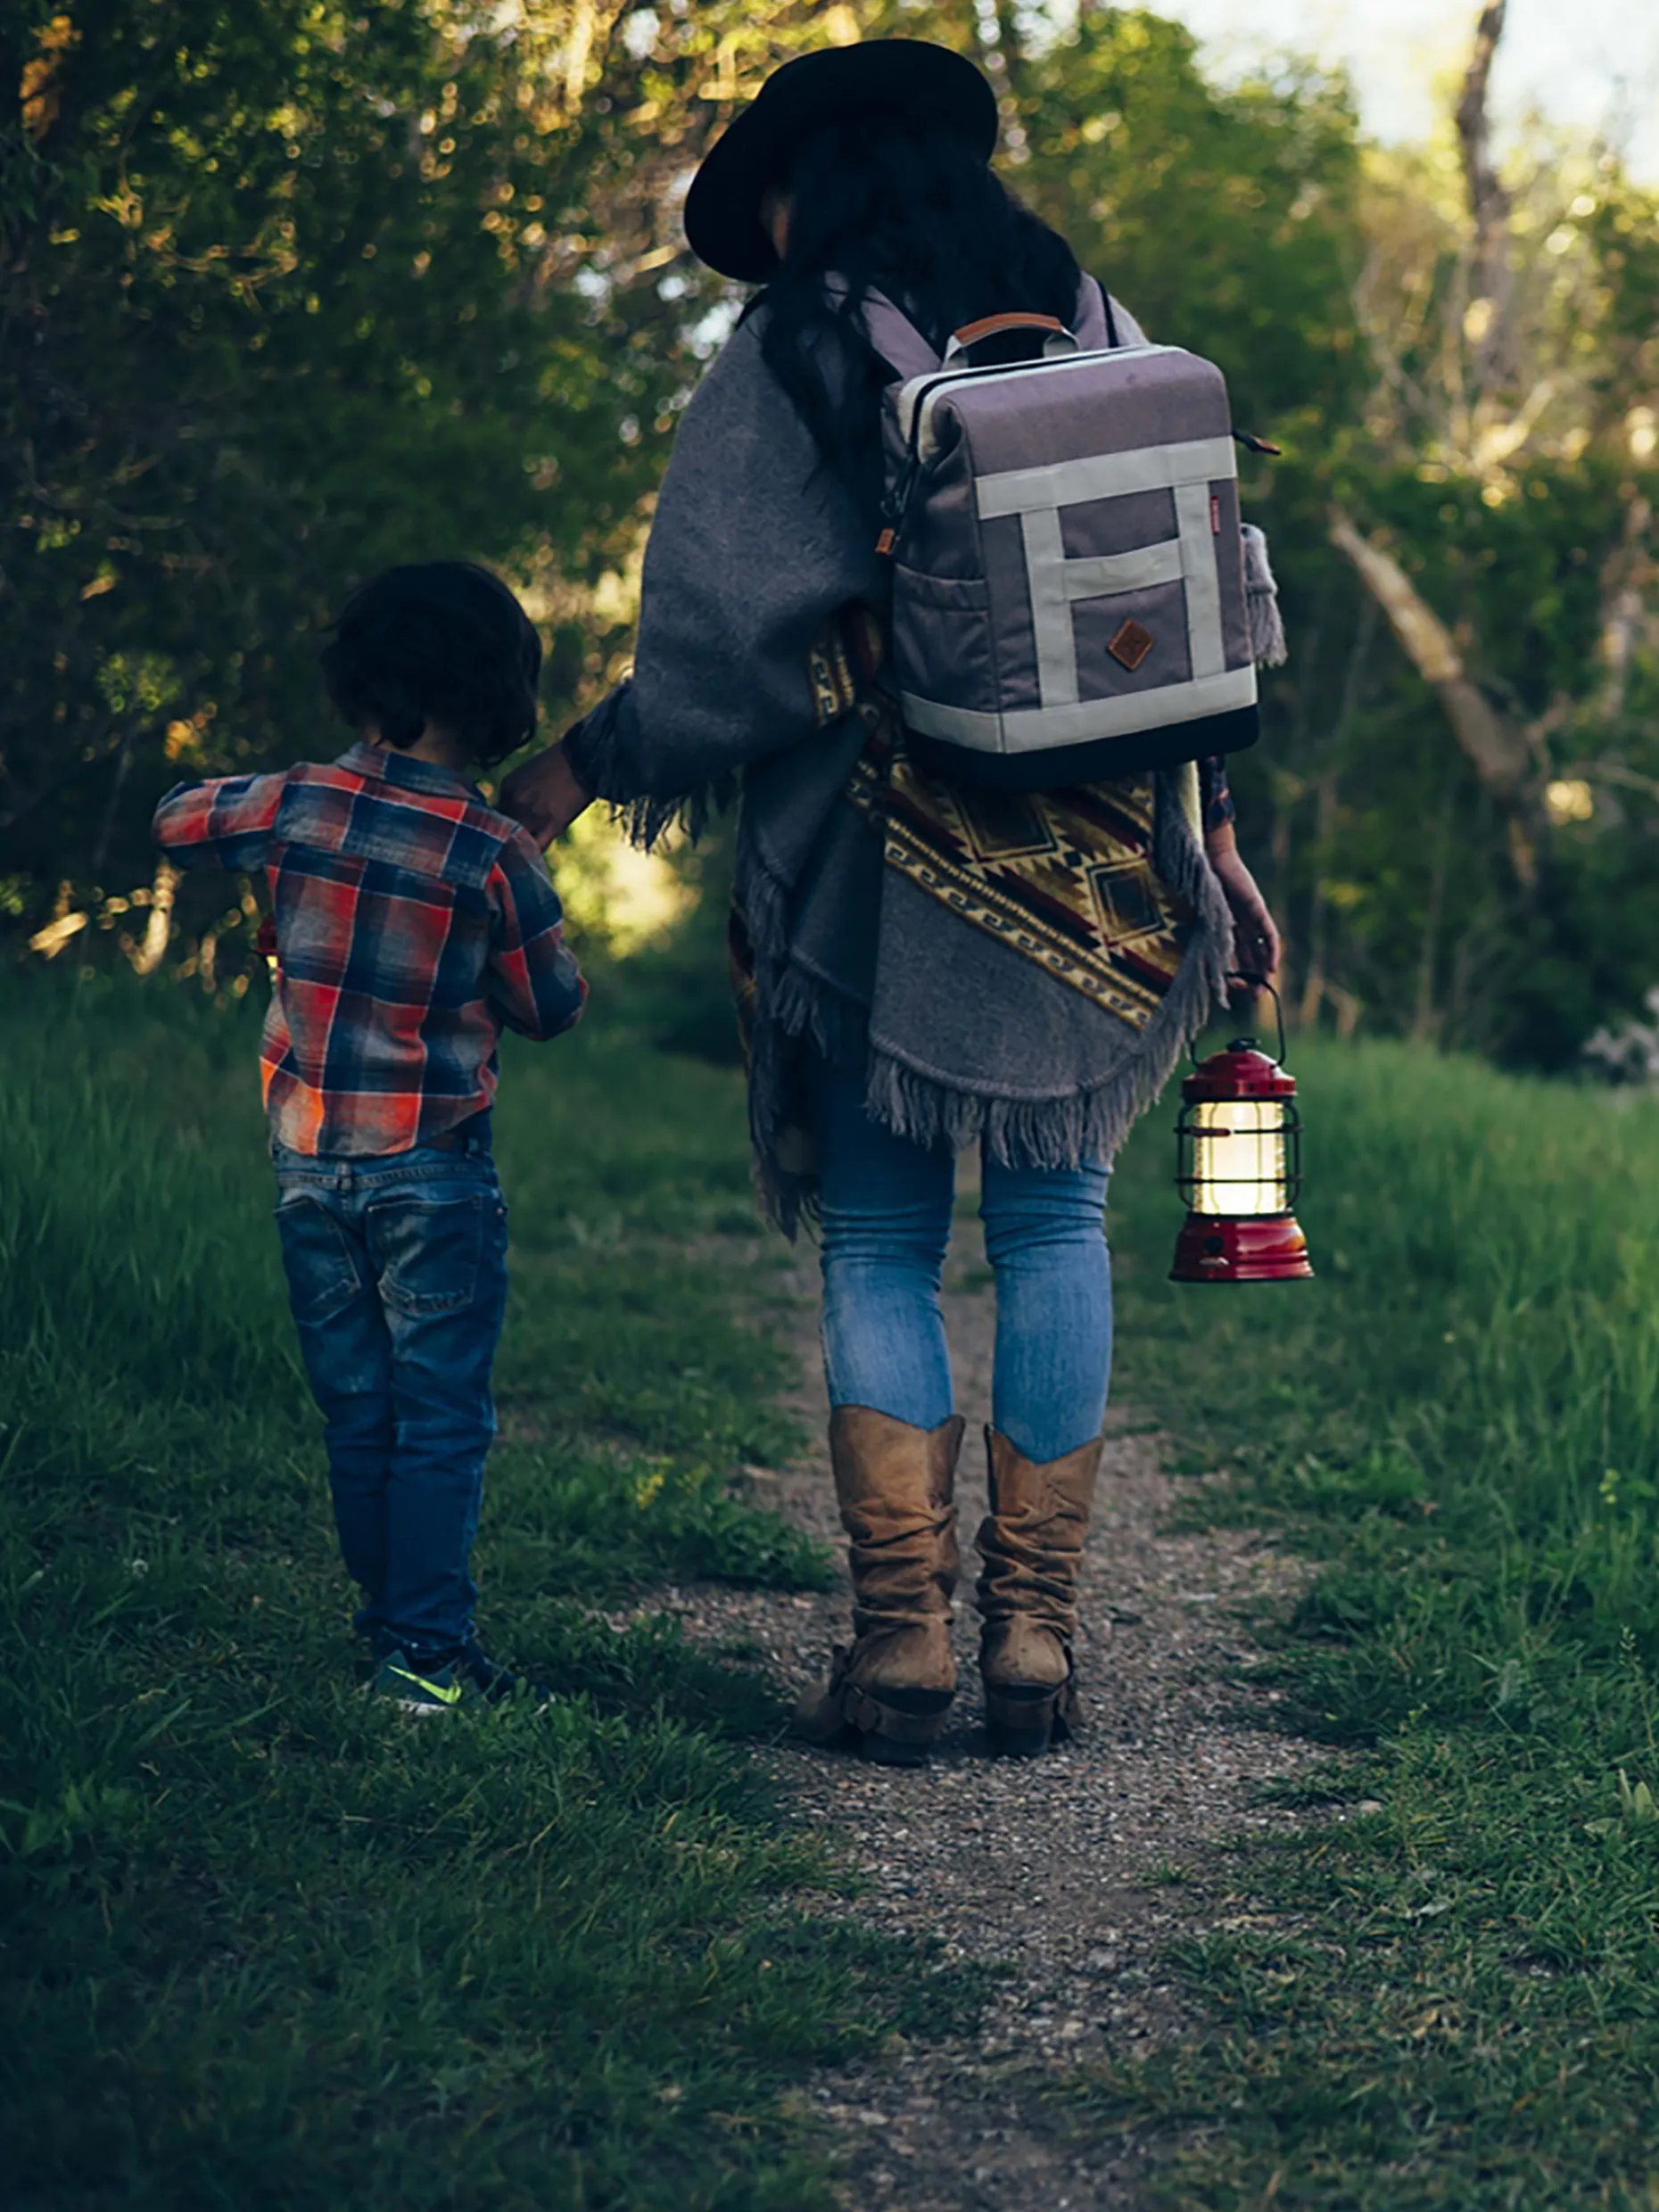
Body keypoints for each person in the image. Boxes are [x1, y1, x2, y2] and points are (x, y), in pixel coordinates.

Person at [503, 41, 1283, 1762]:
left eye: (765, 194)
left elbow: (728, 649)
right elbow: (1194, 606)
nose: (761, 227)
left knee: (877, 1235)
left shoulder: (793, 344)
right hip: (1097, 862)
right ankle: (1038, 1642)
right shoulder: (1086, 311)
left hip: (875, 860)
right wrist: (1214, 834)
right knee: (1053, 1226)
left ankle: (905, 1639)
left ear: (819, 177)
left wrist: (577, 762)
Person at [153, 562, 587, 1713]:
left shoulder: (290, 805)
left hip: (308, 1167)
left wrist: (277, 882)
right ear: (500, 701)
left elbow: (173, 821)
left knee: (358, 1406)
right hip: (434, 1172)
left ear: (357, 682)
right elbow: (553, 1006)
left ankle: (388, 1629)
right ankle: (426, 1658)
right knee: (440, 1412)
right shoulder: (492, 851)